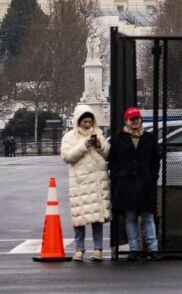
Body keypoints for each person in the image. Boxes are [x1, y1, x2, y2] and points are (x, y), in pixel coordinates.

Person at [108, 106, 159, 260]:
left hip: (144, 182)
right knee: (130, 217)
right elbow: (113, 160)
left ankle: (152, 248)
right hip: (127, 183)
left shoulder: (150, 138)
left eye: (137, 118)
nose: (135, 121)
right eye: (132, 119)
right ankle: (135, 248)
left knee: (147, 216)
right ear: (126, 121)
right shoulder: (118, 138)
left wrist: (152, 177)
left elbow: (156, 160)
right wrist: (119, 176)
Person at [60, 104, 111, 261]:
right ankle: (79, 249)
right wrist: (84, 146)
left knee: (97, 219)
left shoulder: (99, 134)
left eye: (90, 121)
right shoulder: (69, 137)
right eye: (85, 122)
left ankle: (98, 249)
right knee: (79, 219)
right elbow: (67, 157)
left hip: (97, 182)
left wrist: (99, 145)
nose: (88, 124)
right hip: (80, 183)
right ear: (78, 121)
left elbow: (108, 154)